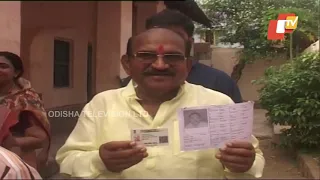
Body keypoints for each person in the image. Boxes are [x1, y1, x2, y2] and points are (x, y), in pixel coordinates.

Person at [56, 27, 264, 179]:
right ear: (127, 64)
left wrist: (244, 164)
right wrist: (99, 160)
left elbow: (253, 158)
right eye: (146, 55)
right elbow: (68, 161)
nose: (160, 65)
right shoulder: (102, 104)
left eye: (172, 57)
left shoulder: (217, 103)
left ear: (187, 65)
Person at [121, 9, 243, 103]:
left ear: (190, 42)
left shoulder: (219, 85)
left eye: (174, 35)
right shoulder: (119, 94)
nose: (159, 65)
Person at [0, 51, 51, 171]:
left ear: (16, 72)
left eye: (3, 66)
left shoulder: (26, 100)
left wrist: (11, 141)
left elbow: (40, 139)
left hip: (13, 164)